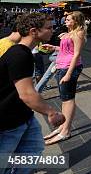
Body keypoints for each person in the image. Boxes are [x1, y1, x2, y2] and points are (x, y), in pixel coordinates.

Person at [0, 13, 65, 160]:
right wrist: (51, 112)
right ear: (33, 31)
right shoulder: (20, 55)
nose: (53, 30)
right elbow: (27, 94)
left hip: (23, 115)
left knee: (34, 150)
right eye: (49, 28)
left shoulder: (24, 52)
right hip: (8, 120)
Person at [42, 11, 86, 145]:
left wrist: (68, 74)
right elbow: (67, 51)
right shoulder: (67, 34)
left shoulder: (78, 33)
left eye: (68, 19)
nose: (65, 21)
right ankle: (62, 126)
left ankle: (65, 131)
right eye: (66, 19)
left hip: (69, 68)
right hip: (61, 66)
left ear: (76, 21)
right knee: (65, 99)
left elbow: (76, 54)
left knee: (68, 99)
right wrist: (53, 47)